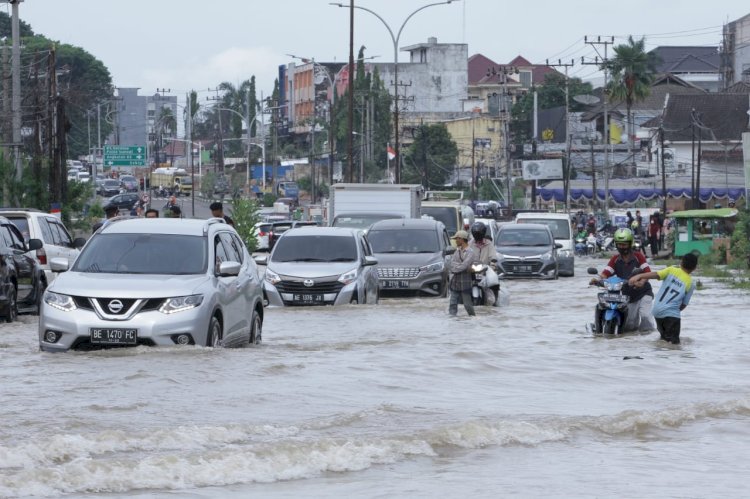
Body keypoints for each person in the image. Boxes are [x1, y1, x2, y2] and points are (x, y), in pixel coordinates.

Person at [589, 228, 655, 333]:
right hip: (627, 296)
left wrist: (641, 282)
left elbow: (648, 273)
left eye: (624, 244)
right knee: (629, 328)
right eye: (619, 244)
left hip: (643, 293)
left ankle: (648, 337)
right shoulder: (615, 259)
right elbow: (606, 272)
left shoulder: (639, 257)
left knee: (645, 316)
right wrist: (598, 279)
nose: (622, 247)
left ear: (630, 244)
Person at [628, 252, 698, 344]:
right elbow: (684, 304)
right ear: (694, 268)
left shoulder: (671, 270)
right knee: (674, 345)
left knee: (664, 340)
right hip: (671, 314)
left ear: (681, 262)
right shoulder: (690, 283)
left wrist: (640, 275)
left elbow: (656, 274)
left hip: (657, 312)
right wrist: (672, 312)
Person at [448, 230, 477, 317]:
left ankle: (473, 318)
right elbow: (452, 264)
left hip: (465, 281)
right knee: (452, 303)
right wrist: (458, 267)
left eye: (457, 239)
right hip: (455, 281)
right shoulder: (457, 251)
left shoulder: (470, 252)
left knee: (467, 305)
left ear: (462, 239)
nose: (455, 241)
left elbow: (465, 265)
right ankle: (452, 320)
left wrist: (456, 268)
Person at [468, 221, 498, 305]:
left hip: (486, 271)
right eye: (476, 233)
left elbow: (493, 257)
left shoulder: (489, 244)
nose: (477, 235)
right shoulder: (470, 244)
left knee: (494, 287)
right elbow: (465, 255)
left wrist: (493, 265)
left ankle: (495, 302)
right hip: (472, 271)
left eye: (479, 233)